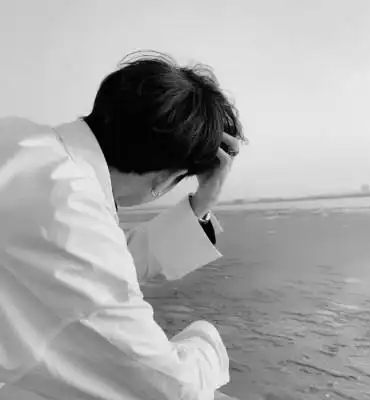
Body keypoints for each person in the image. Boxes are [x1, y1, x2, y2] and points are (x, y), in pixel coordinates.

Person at [0, 51, 245, 400]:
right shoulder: (70, 206)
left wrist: (201, 203)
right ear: (165, 178)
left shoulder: (19, 140)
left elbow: (91, 265)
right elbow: (169, 387)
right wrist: (206, 341)